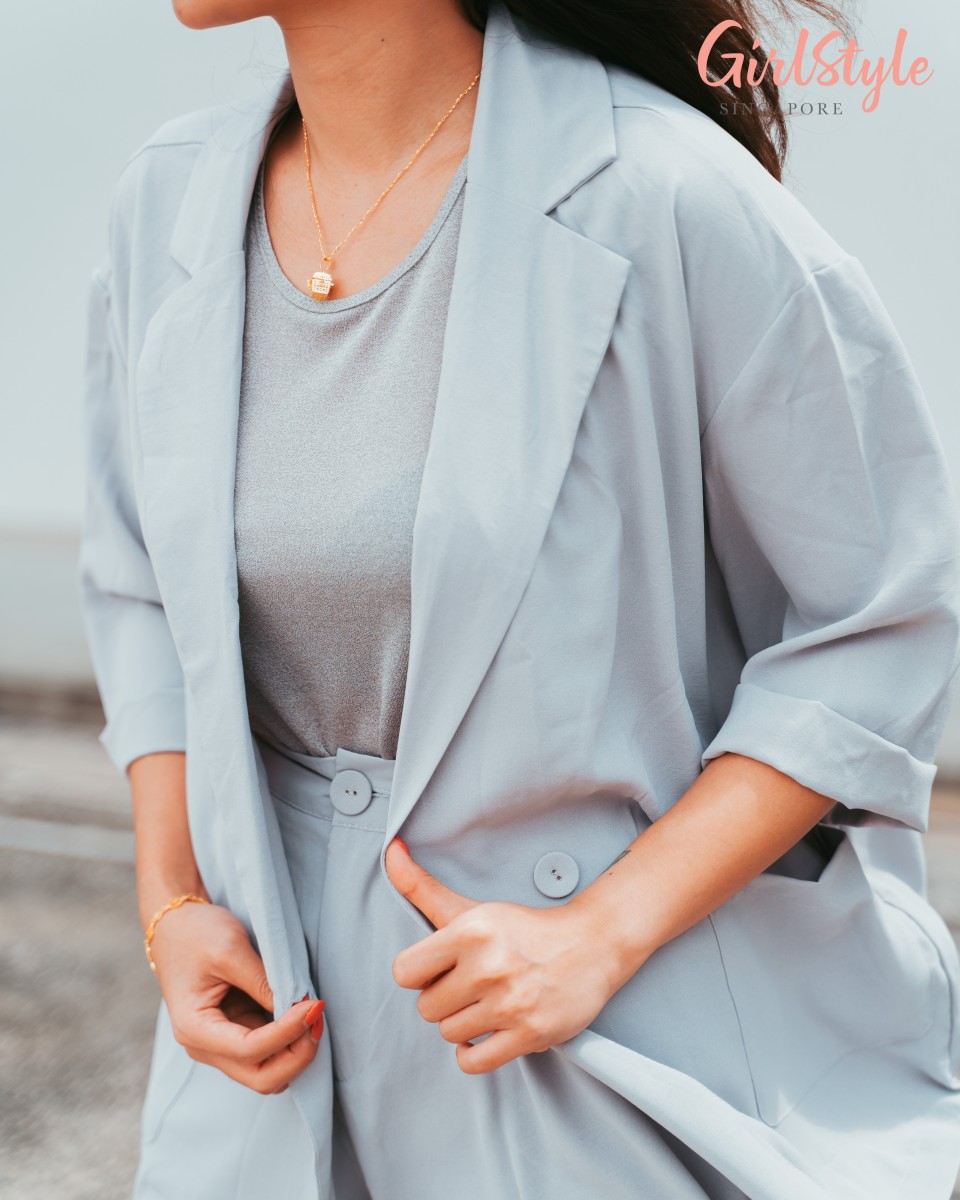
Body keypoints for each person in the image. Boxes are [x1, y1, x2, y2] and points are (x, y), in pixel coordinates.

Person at [78, 0, 960, 1196]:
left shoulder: (667, 197)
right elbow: (139, 583)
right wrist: (172, 900)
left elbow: (879, 626)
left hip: (598, 1061)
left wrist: (601, 933)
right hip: (267, 1079)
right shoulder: (167, 204)